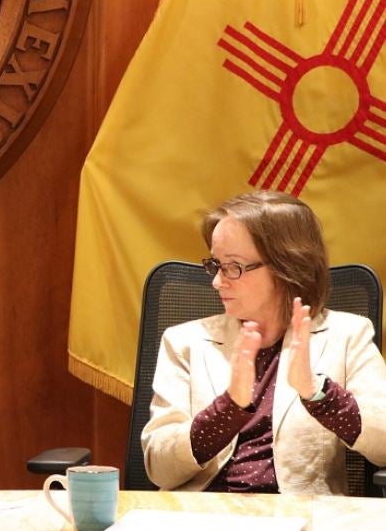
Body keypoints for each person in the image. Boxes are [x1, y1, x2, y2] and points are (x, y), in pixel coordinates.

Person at [142, 191, 386, 494]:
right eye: (216, 264)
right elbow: (159, 469)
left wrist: (319, 394)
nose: (216, 281)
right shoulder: (184, 342)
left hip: (301, 516)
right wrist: (227, 409)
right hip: (202, 513)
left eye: (233, 266)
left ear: (286, 267)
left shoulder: (348, 335)